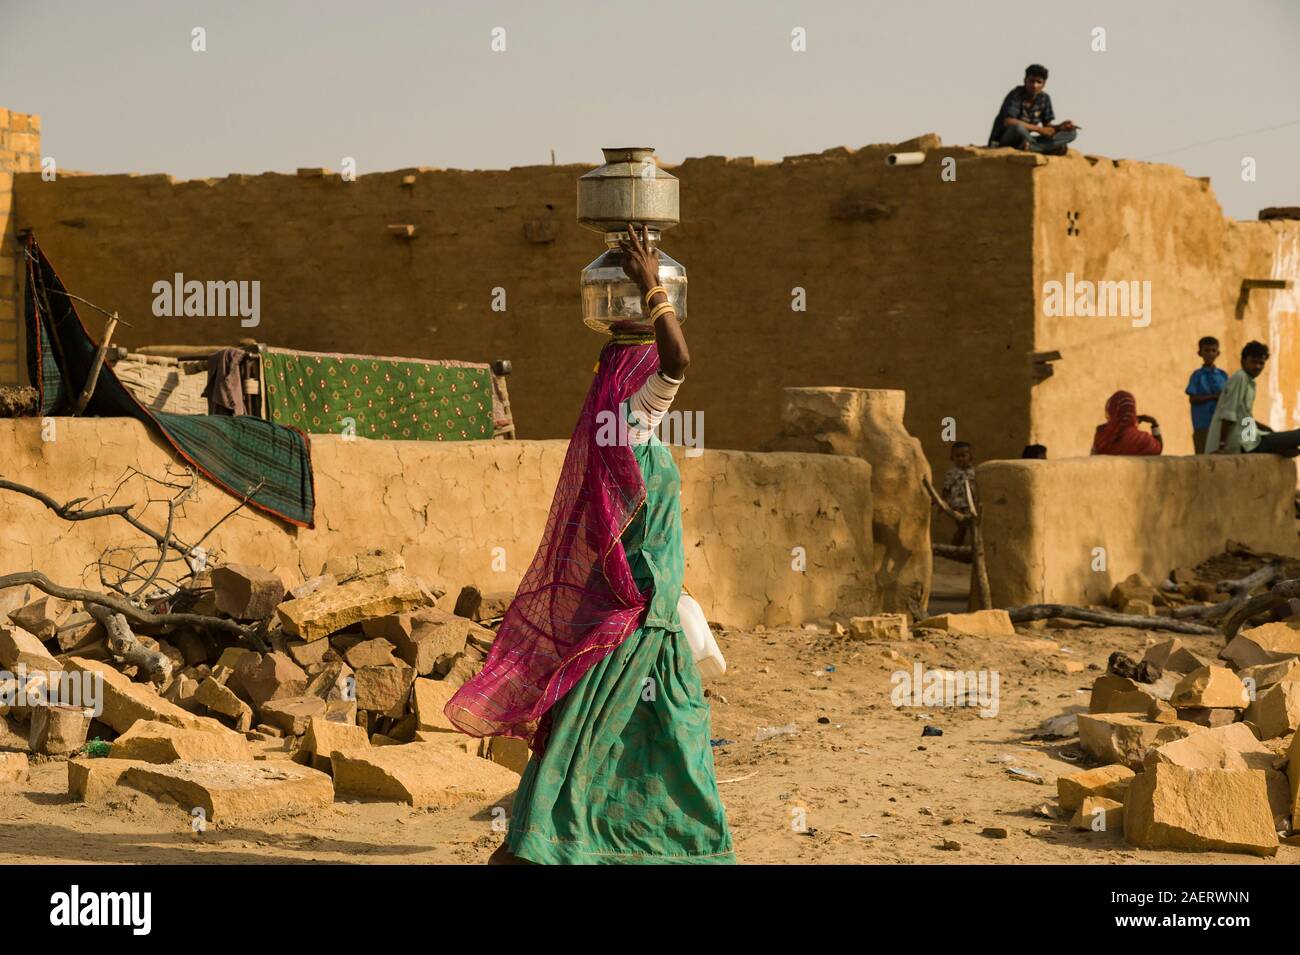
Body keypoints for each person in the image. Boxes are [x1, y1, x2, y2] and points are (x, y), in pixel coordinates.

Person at [444, 222, 735, 865]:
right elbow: (679, 360)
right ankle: (540, 849)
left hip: (649, 616)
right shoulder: (632, 425)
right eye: (646, 374)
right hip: (635, 619)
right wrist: (653, 288)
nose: (657, 381)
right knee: (621, 741)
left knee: (641, 741)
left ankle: (597, 847)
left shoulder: (624, 437)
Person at [1208, 340, 1300, 457]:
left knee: (1289, 447)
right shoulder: (1240, 378)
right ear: (1243, 362)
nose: (1257, 367)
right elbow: (1228, 414)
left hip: (1251, 437)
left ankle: (1277, 447)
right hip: (1245, 443)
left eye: (1261, 363)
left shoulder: (1248, 381)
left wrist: (1263, 427)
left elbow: (1242, 415)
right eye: (1253, 362)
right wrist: (1221, 446)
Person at [988, 64, 1079, 156]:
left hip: (1027, 140)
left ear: (1043, 84)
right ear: (1025, 81)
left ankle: (1032, 147)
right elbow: (1008, 121)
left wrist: (1060, 127)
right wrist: (1039, 129)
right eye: (1031, 81)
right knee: (1018, 128)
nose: (1034, 85)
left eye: (1038, 82)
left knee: (1072, 133)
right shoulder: (1016, 94)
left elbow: (1047, 127)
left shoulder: (1044, 98)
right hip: (1007, 139)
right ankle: (1045, 148)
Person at [1185, 336, 1228, 453]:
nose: (1210, 354)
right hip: (1202, 424)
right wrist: (1213, 397)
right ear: (1200, 353)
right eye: (1207, 350)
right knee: (1203, 455)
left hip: (1220, 424)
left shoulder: (1223, 375)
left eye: (1213, 351)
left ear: (1218, 353)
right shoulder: (1197, 376)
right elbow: (1193, 399)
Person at [1091, 391, 1162, 455]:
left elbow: (1093, 456)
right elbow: (1159, 448)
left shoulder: (1102, 435)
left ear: (1111, 410)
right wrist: (1154, 423)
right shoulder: (1142, 440)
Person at [940, 441, 976, 545]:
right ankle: (955, 548)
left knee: (974, 528)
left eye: (963, 455)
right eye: (957, 456)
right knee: (962, 527)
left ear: (970, 457)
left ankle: (975, 550)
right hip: (958, 505)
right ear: (952, 458)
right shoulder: (951, 473)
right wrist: (943, 502)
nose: (960, 458)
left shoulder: (974, 472)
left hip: (972, 504)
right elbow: (946, 489)